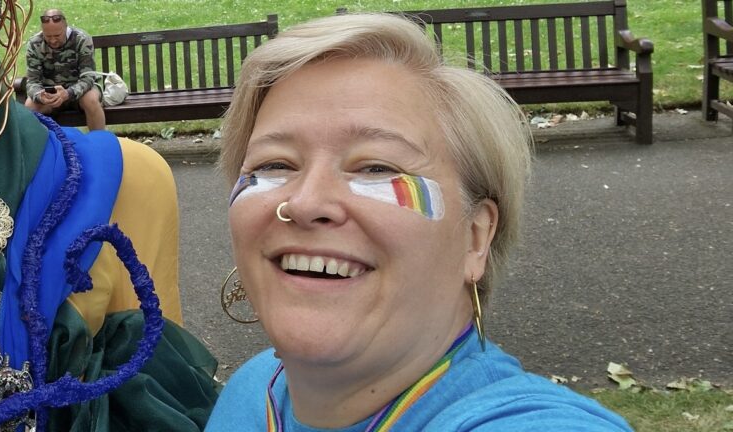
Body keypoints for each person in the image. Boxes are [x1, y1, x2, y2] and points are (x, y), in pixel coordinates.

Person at [206, 13, 633, 431]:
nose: (306, 202)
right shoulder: (254, 387)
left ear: (475, 237)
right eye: (276, 163)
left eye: (375, 167)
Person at [0, 1, 218, 431]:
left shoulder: (78, 43)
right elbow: (34, 73)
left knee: (91, 100)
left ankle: (94, 132)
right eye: (46, 25)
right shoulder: (37, 48)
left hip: (76, 93)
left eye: (55, 24)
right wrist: (44, 92)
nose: (51, 30)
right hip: (43, 94)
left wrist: (66, 92)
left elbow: (86, 72)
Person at [23, 8, 106, 130]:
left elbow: (88, 77)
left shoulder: (81, 39)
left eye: (57, 35)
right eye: (48, 36)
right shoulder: (34, 44)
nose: (52, 40)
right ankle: (39, 145)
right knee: (30, 106)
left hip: (81, 90)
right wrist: (39, 95)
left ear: (66, 28)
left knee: (91, 100)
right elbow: (32, 81)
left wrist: (68, 93)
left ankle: (100, 141)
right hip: (51, 94)